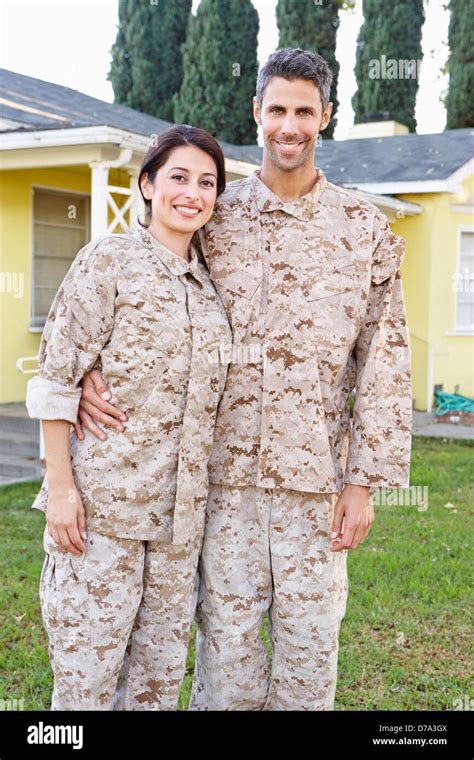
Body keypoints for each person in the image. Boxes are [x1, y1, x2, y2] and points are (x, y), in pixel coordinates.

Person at [77, 48, 412, 711]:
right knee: (226, 655)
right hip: (219, 482)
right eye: (278, 110)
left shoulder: (364, 229)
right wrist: (88, 368)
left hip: (316, 485)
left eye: (305, 112)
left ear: (327, 117)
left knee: (309, 655)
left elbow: (386, 357)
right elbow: (141, 281)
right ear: (257, 112)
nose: (291, 126)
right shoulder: (213, 213)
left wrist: (363, 481)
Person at [26, 125, 232, 710]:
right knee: (87, 684)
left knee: (155, 688)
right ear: (147, 184)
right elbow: (56, 381)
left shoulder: (211, 287)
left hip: (178, 526)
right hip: (102, 515)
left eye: (208, 182)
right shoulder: (108, 262)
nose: (192, 192)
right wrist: (61, 490)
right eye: (178, 177)